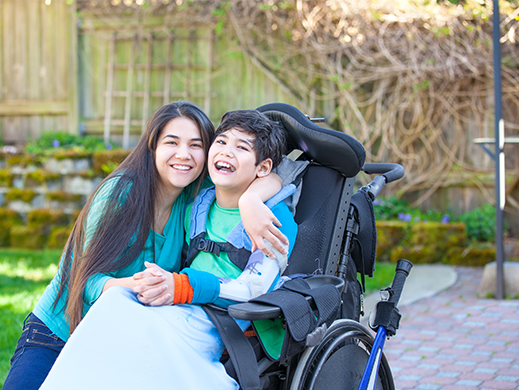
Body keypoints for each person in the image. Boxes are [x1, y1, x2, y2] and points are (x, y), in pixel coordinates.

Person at [3, 102, 289, 390]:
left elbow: (267, 175)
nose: (183, 155)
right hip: (59, 332)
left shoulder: (197, 199)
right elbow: (84, 282)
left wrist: (250, 200)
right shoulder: (120, 194)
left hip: (122, 337)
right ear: (153, 147)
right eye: (171, 142)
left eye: (195, 145)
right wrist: (148, 286)